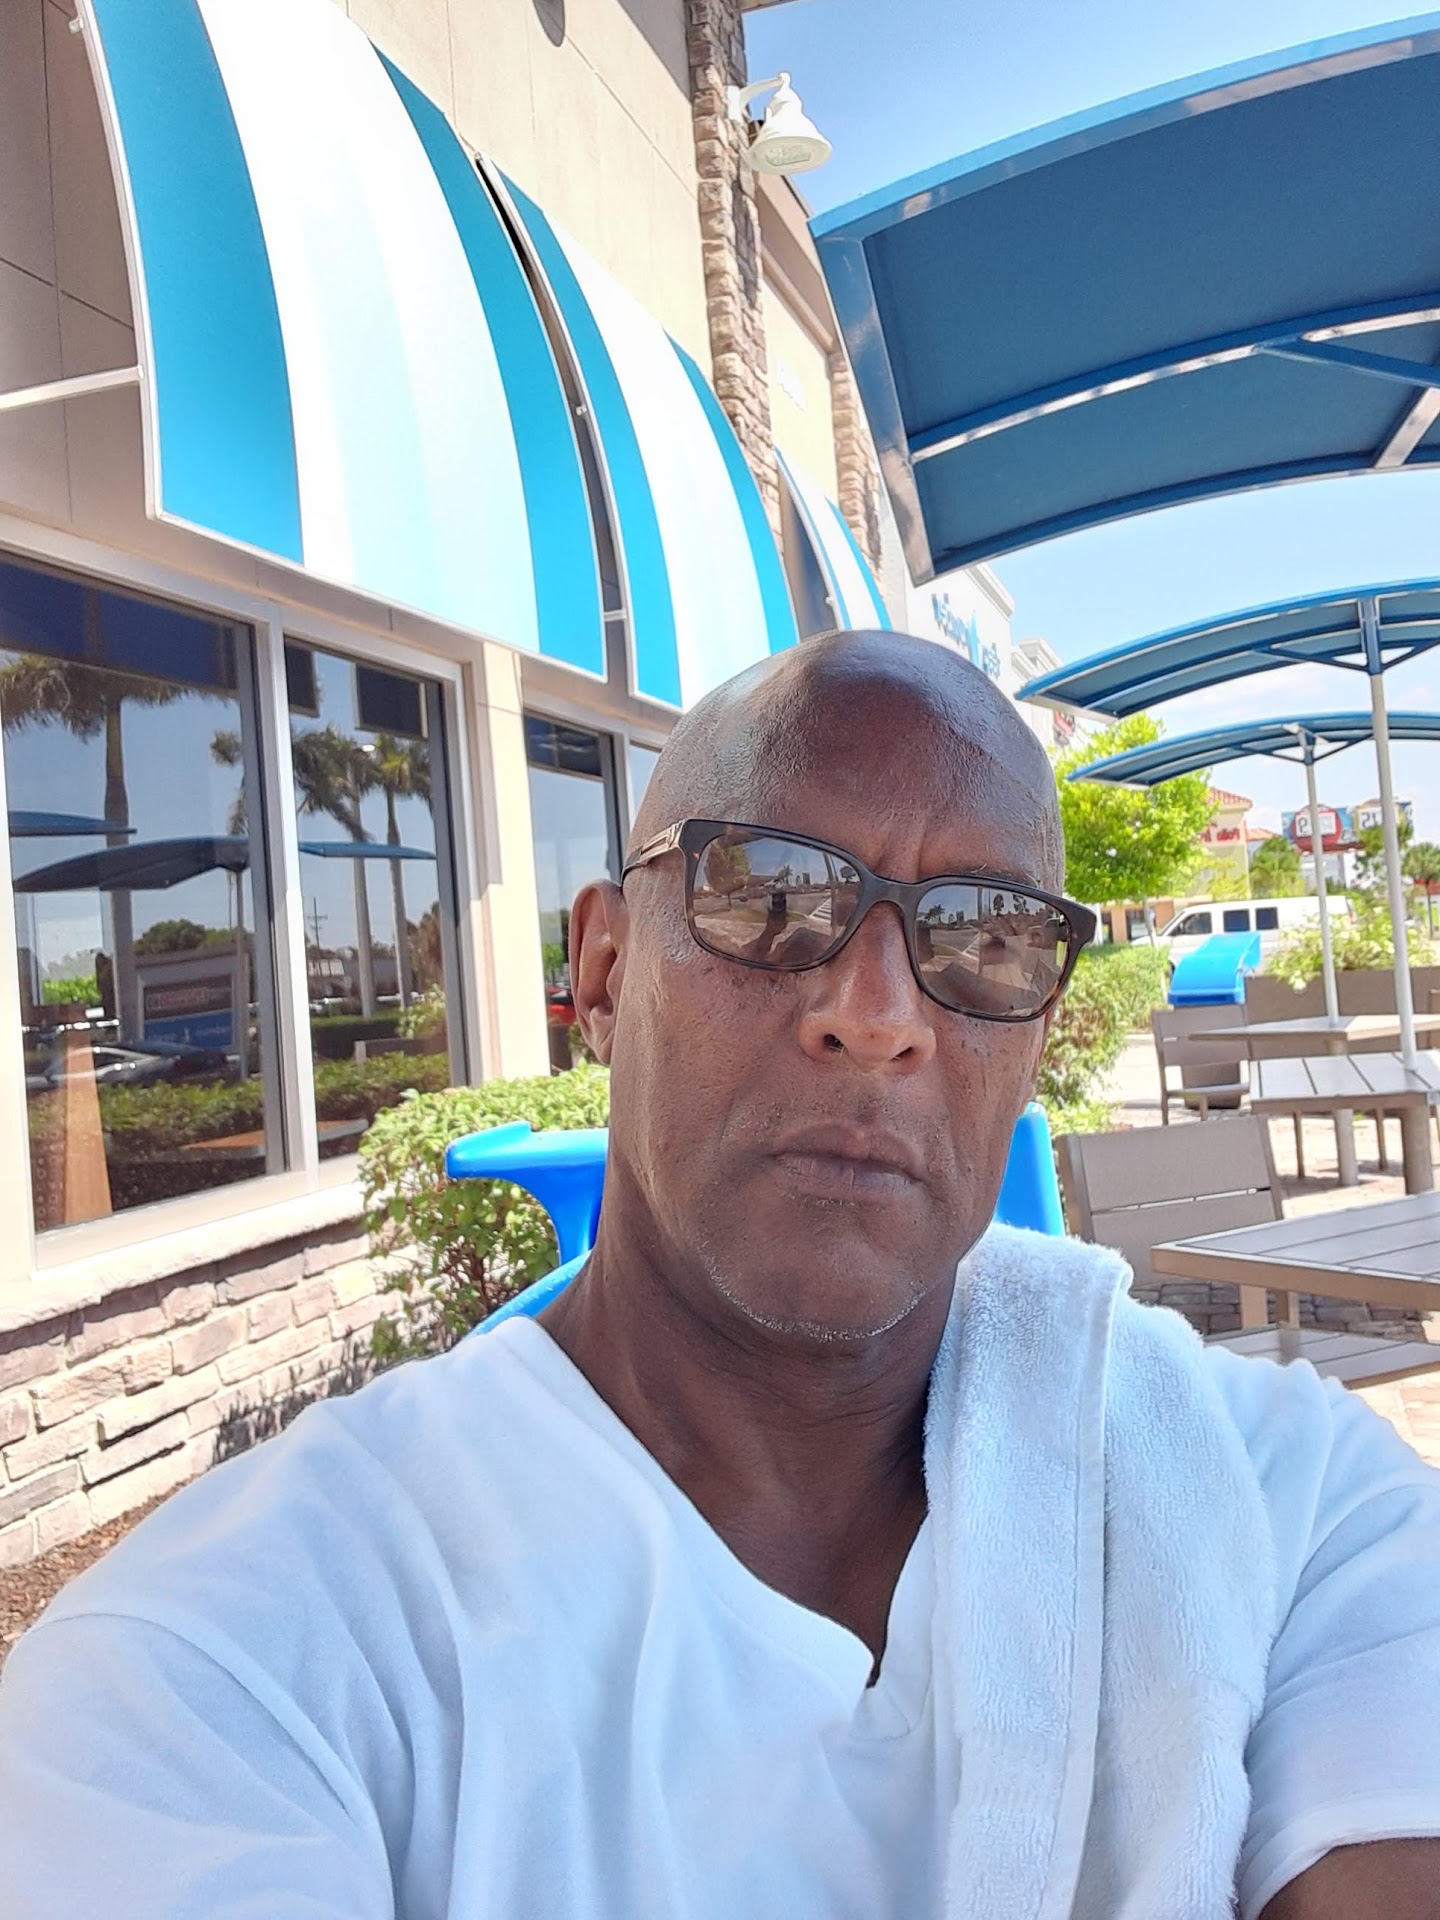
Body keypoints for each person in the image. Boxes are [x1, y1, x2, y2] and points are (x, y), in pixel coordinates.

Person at [0, 629, 1438, 1919]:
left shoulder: (1299, 1513)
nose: (877, 1014)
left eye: (984, 935)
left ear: (1039, 1036)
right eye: (771, 892)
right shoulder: (223, 1672)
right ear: (603, 970)